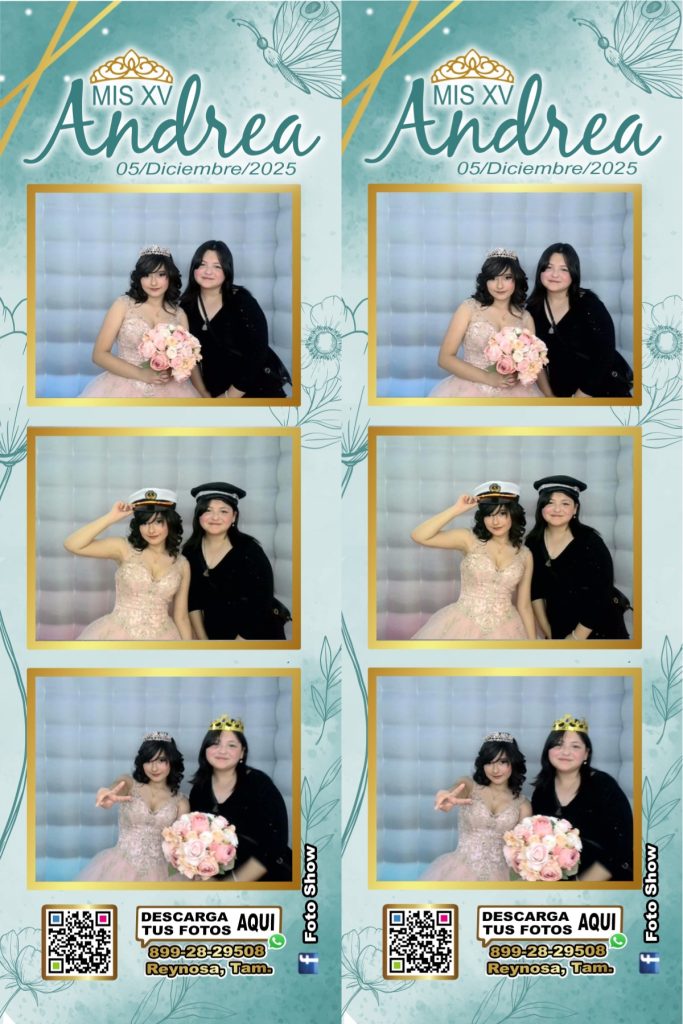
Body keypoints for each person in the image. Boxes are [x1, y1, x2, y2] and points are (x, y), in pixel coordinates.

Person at [410, 482, 536, 640]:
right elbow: (419, 536)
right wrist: (456, 509)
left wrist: (533, 645)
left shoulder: (525, 555)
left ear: (513, 514)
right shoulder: (468, 539)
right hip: (463, 624)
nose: (495, 521)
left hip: (508, 628)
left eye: (502, 513)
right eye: (489, 515)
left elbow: (524, 606)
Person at [64, 488, 193, 641]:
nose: (151, 530)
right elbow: (72, 545)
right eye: (144, 523)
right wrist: (111, 517)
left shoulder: (182, 564)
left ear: (170, 523)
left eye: (158, 522)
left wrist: (188, 650)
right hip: (119, 634)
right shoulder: (123, 548)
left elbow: (182, 617)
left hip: (165, 637)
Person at [80, 246, 207, 399]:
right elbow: (99, 355)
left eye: (161, 274)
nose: (153, 282)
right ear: (139, 278)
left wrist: (203, 393)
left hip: (170, 389)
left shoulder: (179, 315)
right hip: (123, 385)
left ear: (170, 276)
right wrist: (141, 374)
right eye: (146, 275)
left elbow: (188, 360)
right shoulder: (123, 305)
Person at [430, 248, 553, 399]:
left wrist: (549, 396)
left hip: (515, 391)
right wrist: (488, 378)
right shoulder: (469, 308)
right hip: (470, 388)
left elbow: (535, 363)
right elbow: (444, 359)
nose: (499, 285)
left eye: (507, 277)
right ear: (485, 281)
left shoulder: (525, 318)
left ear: (516, 279)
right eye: (493, 278)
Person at [180, 240, 290, 398]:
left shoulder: (243, 302)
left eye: (217, 266)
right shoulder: (186, 306)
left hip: (254, 388)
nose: (208, 271)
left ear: (227, 270)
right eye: (202, 264)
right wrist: (204, 393)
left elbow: (258, 353)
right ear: (194, 268)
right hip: (214, 389)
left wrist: (229, 397)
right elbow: (189, 356)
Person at [525, 476, 630, 640]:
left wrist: (576, 638)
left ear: (575, 509)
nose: (557, 509)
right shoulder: (533, 542)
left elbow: (602, 593)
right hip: (559, 626)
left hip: (598, 627)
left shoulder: (591, 541)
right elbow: (535, 591)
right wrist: (549, 633)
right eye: (550, 502)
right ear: (541, 507)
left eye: (565, 503)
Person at [189, 714, 292, 882]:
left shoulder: (259, 784)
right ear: (205, 749)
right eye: (215, 744)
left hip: (264, 877)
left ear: (242, 752)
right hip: (217, 877)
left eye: (231, 745)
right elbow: (196, 839)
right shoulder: (199, 789)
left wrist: (233, 883)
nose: (222, 751)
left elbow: (275, 844)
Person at [531, 715, 633, 881]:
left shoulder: (603, 785)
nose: (565, 752)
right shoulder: (542, 791)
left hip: (604, 880)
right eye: (558, 745)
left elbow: (623, 845)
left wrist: (581, 887)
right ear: (547, 751)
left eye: (575, 746)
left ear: (586, 754)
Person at [182, 482, 288, 641]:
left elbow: (262, 601)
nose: (215, 517)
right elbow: (193, 600)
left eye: (223, 511)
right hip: (216, 635)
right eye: (208, 510)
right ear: (199, 515)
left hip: (256, 635)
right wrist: (204, 641)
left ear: (234, 516)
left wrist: (238, 645)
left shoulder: (250, 550)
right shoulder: (190, 551)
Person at [77, 732, 189, 882]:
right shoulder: (129, 783)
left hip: (163, 873)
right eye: (148, 760)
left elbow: (181, 845)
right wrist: (107, 793)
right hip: (120, 866)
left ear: (172, 761)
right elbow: (116, 788)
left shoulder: (181, 802)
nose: (154, 768)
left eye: (161, 760)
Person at [526, 242, 632, 398]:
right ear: (540, 271)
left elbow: (605, 354)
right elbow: (535, 360)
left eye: (564, 269)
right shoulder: (532, 310)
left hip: (601, 390)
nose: (555, 274)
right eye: (549, 267)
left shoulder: (589, 304)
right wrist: (550, 397)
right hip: (562, 393)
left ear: (574, 273)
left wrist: (581, 396)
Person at [423, 733, 531, 882]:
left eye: (502, 762)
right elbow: (455, 791)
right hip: (460, 871)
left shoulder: (523, 805)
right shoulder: (469, 785)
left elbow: (522, 850)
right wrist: (446, 795)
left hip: (503, 877)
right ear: (482, 764)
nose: (495, 769)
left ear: (513, 762)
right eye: (489, 762)